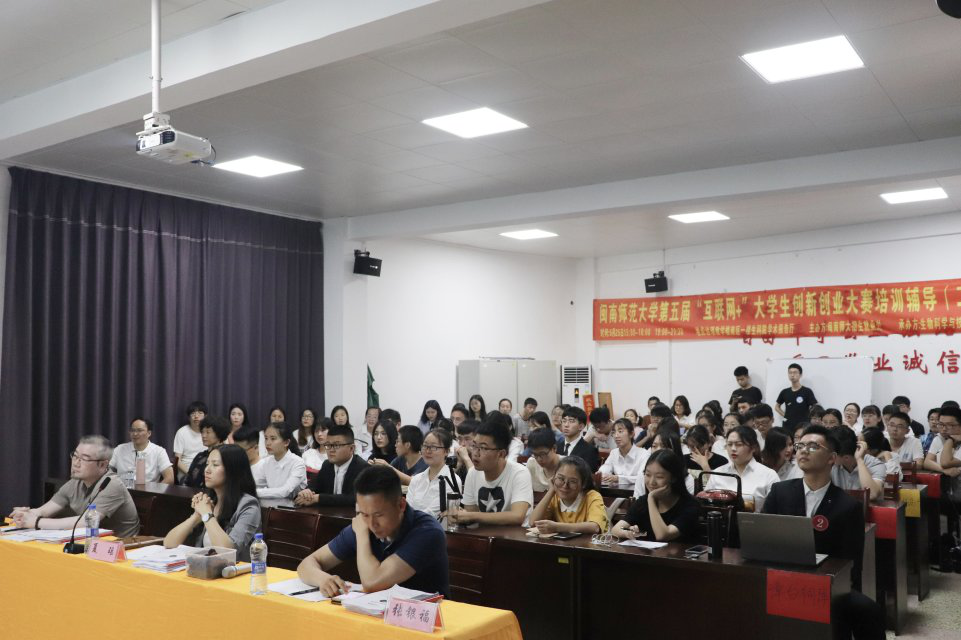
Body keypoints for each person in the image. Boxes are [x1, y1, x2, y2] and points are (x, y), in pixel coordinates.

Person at [297, 465, 449, 597]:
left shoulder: (428, 532)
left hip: (425, 616)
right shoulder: (363, 523)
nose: (371, 524)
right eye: (364, 514)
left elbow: (372, 583)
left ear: (401, 505)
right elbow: (306, 564)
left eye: (379, 515)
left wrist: (362, 535)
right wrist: (323, 579)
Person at [762, 425, 866, 589]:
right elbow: (763, 538)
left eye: (813, 446)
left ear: (831, 458)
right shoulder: (779, 492)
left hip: (825, 583)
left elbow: (852, 564)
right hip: (780, 577)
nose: (803, 451)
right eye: (800, 446)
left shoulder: (848, 506)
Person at [10, 435, 140, 538]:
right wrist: (26, 514)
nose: (76, 463)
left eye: (84, 459)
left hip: (121, 548)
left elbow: (86, 522)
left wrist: (36, 522)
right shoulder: (76, 482)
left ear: (102, 465)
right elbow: (44, 511)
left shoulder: (112, 484)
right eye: (75, 456)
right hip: (90, 542)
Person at [163, 444, 261, 561]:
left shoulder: (249, 506)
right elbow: (169, 543)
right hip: (206, 568)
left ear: (233, 470)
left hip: (235, 570)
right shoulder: (211, 501)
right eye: (207, 464)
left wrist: (207, 514)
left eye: (215, 465)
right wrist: (196, 516)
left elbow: (228, 551)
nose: (207, 470)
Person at [453, 420, 534, 527]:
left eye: (483, 448)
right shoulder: (473, 473)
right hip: (483, 535)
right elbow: (471, 515)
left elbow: (517, 516)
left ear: (501, 454)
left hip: (516, 535)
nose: (475, 453)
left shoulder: (519, 473)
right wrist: (458, 515)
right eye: (474, 446)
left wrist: (470, 516)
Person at [612, 450, 699, 543]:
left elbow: (663, 535)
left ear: (673, 478)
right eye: (648, 475)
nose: (651, 482)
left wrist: (651, 499)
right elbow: (615, 529)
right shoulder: (642, 502)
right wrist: (627, 533)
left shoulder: (690, 505)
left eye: (659, 477)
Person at [706, 426, 779, 512]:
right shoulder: (717, 473)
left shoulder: (769, 475)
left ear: (753, 447)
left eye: (739, 444)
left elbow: (776, 512)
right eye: (729, 444)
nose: (733, 449)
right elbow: (707, 503)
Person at [530, 456, 608, 534]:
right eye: (560, 478)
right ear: (553, 478)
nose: (565, 486)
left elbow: (594, 527)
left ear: (583, 484)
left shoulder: (592, 496)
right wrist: (551, 490)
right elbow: (533, 523)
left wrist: (557, 527)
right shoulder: (554, 497)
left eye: (572, 481)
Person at [295, 425, 368, 506]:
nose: (331, 450)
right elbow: (315, 486)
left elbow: (356, 498)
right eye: (328, 445)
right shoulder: (327, 465)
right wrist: (307, 492)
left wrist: (319, 498)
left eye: (336, 445)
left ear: (351, 448)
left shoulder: (364, 469)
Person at [406, 429, 461, 519]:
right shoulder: (416, 479)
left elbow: (431, 514)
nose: (428, 451)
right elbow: (407, 509)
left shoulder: (452, 481)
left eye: (434, 447)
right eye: (425, 446)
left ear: (446, 451)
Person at [109, 417, 174, 485]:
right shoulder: (120, 449)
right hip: (122, 489)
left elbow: (170, 478)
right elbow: (107, 471)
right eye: (132, 430)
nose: (135, 434)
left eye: (139, 430)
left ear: (149, 433)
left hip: (148, 490)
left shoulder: (159, 451)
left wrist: (156, 490)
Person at [831, 426, 885, 501]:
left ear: (846, 458)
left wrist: (860, 460)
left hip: (866, 508)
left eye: (832, 454)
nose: (828, 456)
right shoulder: (831, 465)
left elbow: (872, 494)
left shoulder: (875, 464)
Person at [256, 421, 307, 500]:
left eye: (273, 439)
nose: (267, 443)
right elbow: (257, 485)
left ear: (286, 442)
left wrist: (255, 492)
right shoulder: (266, 462)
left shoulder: (298, 463)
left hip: (293, 506)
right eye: (266, 438)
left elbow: (285, 492)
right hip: (270, 504)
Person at [182, 415, 231, 489]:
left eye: (208, 432)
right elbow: (188, 478)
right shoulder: (200, 456)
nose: (203, 435)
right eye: (202, 432)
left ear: (219, 433)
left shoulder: (225, 455)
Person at [600, 418, 649, 485]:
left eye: (620, 431)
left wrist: (618, 478)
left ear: (631, 434)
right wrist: (600, 474)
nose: (616, 436)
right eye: (613, 432)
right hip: (617, 490)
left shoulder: (644, 454)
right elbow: (605, 468)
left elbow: (642, 478)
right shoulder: (614, 453)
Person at [775, 363, 817, 430]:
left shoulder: (807, 391)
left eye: (795, 372)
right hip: (788, 424)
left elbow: (815, 407)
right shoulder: (784, 392)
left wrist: (807, 417)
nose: (792, 375)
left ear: (800, 375)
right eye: (790, 373)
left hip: (803, 425)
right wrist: (785, 415)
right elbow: (777, 407)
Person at [173, 400, 208, 481]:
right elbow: (177, 460)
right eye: (193, 413)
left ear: (205, 416)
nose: (196, 416)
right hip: (186, 472)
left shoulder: (209, 432)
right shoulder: (182, 432)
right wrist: (191, 473)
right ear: (189, 417)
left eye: (200, 413)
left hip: (205, 472)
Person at [559, 406, 600, 471]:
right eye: (564, 421)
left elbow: (589, 475)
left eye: (571, 421)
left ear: (581, 426)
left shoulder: (590, 450)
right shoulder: (556, 446)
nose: (566, 425)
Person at [526, 427, 562, 492]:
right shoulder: (532, 463)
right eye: (535, 454)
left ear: (554, 448)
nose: (539, 459)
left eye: (542, 454)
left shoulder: (567, 464)